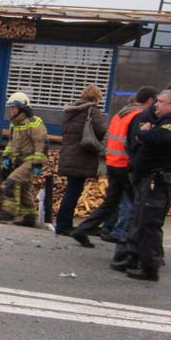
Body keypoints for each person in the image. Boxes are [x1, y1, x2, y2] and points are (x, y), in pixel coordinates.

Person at [68, 86, 158, 247]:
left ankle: (82, 229)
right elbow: (136, 142)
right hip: (126, 165)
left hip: (112, 162)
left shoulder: (120, 114)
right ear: (150, 100)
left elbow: (108, 137)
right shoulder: (140, 116)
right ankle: (125, 239)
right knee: (134, 203)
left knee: (111, 202)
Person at [110, 89, 171, 281]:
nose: (156, 104)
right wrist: (145, 131)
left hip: (159, 181)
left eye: (162, 102)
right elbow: (140, 134)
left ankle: (150, 267)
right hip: (147, 178)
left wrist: (147, 132)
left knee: (149, 224)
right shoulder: (157, 119)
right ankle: (132, 257)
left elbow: (160, 138)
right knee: (139, 220)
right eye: (156, 101)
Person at [55, 84, 107, 236]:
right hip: (82, 156)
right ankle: (64, 226)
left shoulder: (70, 111)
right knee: (74, 191)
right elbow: (101, 131)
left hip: (68, 154)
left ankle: (63, 224)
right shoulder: (92, 111)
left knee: (71, 190)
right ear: (96, 98)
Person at [0, 92, 47, 227]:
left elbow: (40, 144)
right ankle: (30, 217)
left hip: (31, 161)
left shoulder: (34, 123)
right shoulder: (14, 124)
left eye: (14, 107)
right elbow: (11, 143)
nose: (11, 110)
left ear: (23, 108)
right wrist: (7, 156)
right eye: (10, 107)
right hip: (20, 160)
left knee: (11, 181)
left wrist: (37, 164)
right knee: (25, 189)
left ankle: (9, 212)